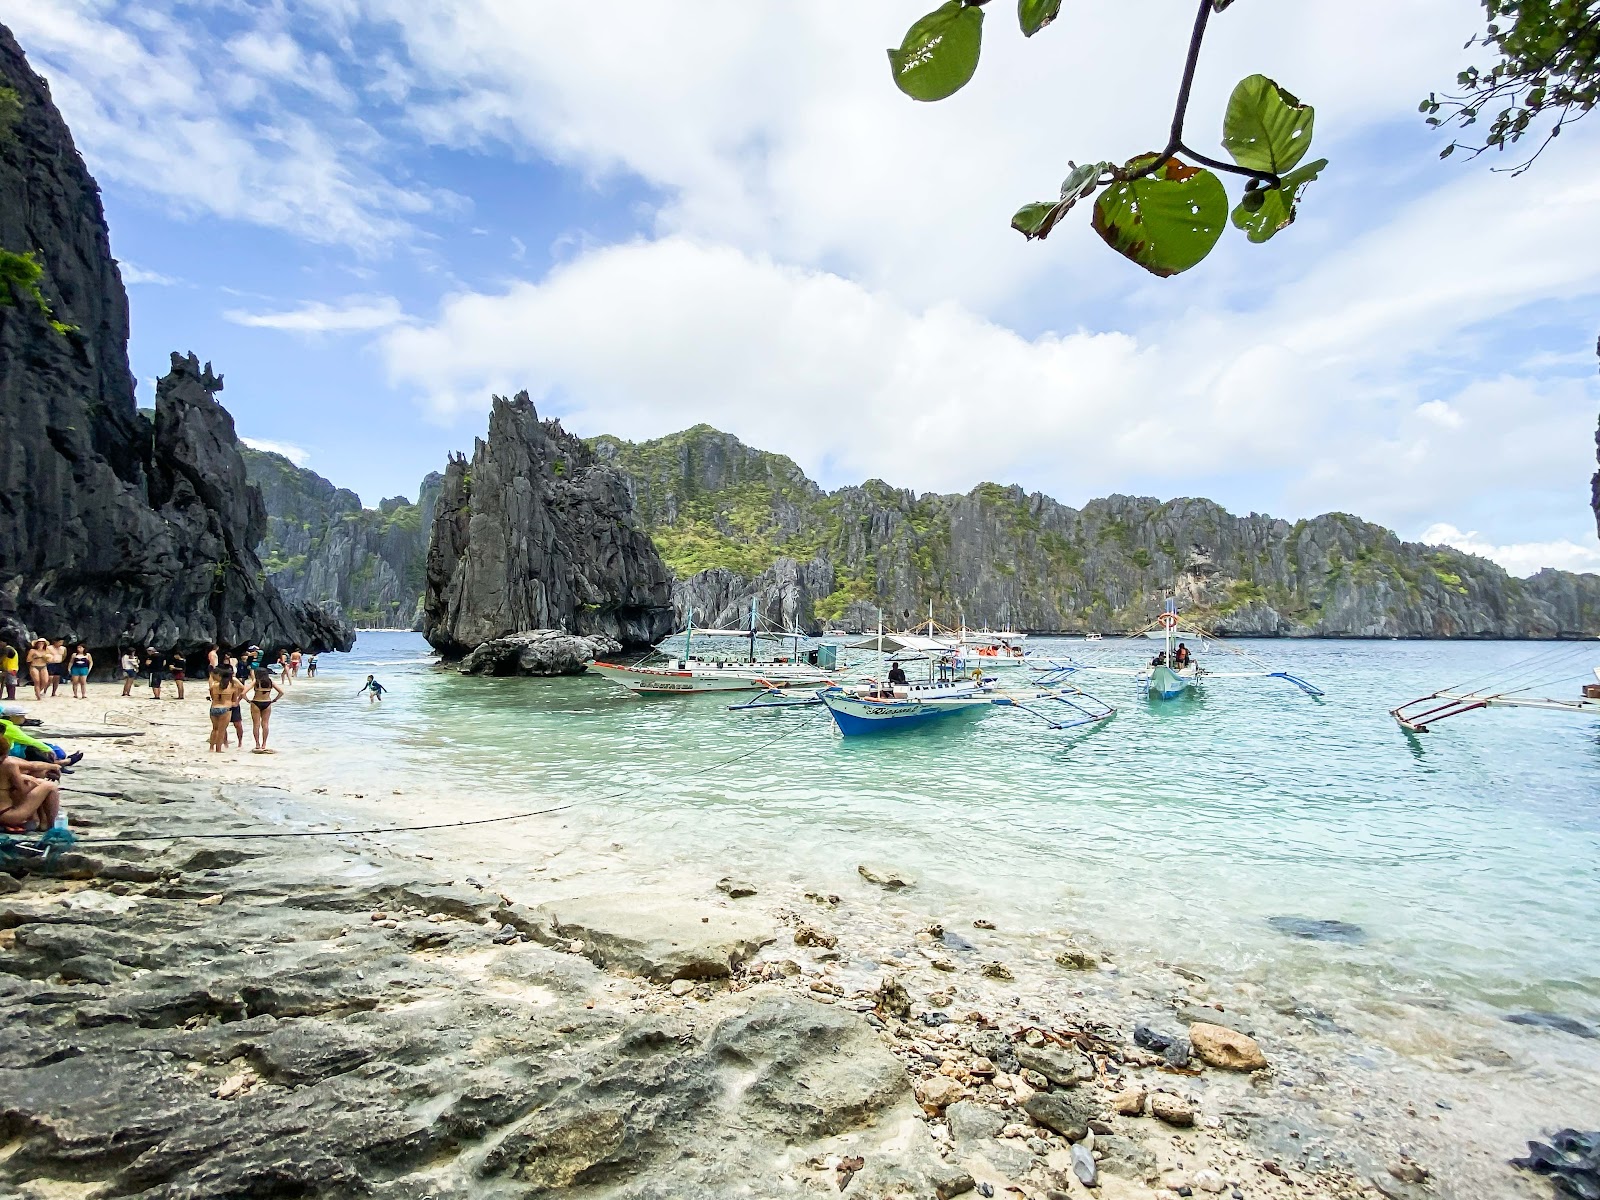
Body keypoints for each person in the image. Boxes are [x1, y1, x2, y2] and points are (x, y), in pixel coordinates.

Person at [0, 731, 62, 832]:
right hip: (7, 815)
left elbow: (31, 765)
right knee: (49, 786)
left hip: (3, 812)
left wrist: (52, 766)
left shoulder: (7, 763)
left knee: (34, 782)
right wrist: (31, 782)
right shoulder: (8, 764)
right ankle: (52, 827)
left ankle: (43, 823)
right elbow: (21, 789)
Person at [207, 665, 246, 753]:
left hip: (214, 708)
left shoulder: (214, 686)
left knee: (215, 729)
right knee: (222, 730)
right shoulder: (232, 687)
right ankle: (218, 749)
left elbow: (212, 697)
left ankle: (211, 748)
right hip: (225, 709)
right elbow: (234, 700)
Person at [247, 665, 286, 752]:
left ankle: (257, 744)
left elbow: (243, 692)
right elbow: (281, 692)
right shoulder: (270, 682)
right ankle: (264, 744)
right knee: (265, 724)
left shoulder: (256, 682)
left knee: (256, 725)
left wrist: (248, 700)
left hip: (256, 702)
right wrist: (275, 700)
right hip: (267, 703)